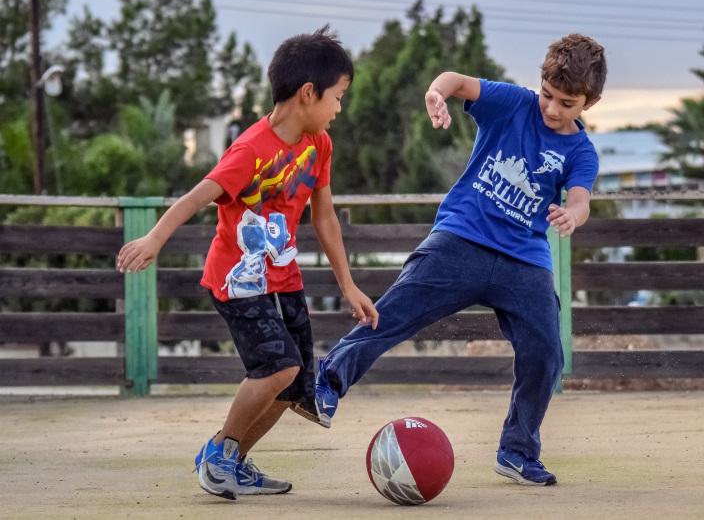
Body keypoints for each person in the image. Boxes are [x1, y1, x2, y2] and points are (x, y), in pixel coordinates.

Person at [296, 33, 606, 487]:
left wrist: (573, 215)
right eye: (548, 95)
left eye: (567, 103)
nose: (553, 109)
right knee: (394, 312)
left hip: (525, 258)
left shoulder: (581, 151)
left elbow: (581, 197)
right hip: (461, 238)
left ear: (590, 103)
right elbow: (457, 80)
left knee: (546, 353)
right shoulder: (514, 103)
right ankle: (327, 381)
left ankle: (518, 450)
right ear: (538, 84)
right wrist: (436, 93)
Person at [116, 26, 378, 501]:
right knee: (277, 367)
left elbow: (324, 217)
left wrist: (349, 285)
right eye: (337, 97)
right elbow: (199, 195)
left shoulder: (318, 146)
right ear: (307, 93)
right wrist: (155, 237)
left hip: (284, 277)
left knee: (296, 383)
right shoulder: (250, 150)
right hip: (238, 279)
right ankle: (218, 454)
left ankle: (230, 462)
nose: (339, 108)